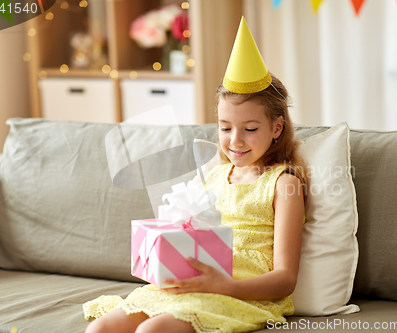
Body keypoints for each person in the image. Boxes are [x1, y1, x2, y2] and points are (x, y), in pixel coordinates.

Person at [83, 17, 309, 333]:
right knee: (101, 329)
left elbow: (285, 278)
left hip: (242, 294)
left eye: (251, 129)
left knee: (152, 331)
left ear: (276, 128)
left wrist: (223, 286)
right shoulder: (215, 177)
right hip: (193, 284)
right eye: (225, 128)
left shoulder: (283, 183)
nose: (236, 140)